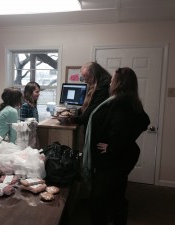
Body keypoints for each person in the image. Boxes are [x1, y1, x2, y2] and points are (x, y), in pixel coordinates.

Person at [82, 67, 150, 225]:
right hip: (121, 158)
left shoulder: (121, 102)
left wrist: (112, 146)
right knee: (116, 197)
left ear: (119, 83)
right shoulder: (128, 100)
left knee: (98, 202)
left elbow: (122, 127)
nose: (110, 82)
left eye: (113, 80)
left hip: (112, 161)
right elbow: (143, 121)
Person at [73, 62, 112, 127]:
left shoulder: (104, 89)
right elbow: (88, 107)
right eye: (84, 78)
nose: (85, 81)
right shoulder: (96, 85)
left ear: (95, 75)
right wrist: (74, 112)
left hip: (98, 128)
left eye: (87, 78)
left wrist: (73, 120)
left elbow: (92, 111)